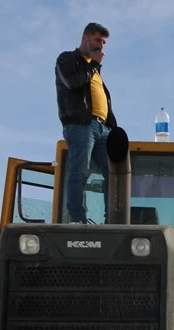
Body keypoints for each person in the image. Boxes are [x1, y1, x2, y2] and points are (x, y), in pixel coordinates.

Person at [56, 22, 117, 224]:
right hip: (81, 125)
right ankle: (77, 218)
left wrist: (112, 128)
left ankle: (112, 220)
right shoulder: (68, 59)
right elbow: (72, 82)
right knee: (79, 171)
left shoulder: (94, 70)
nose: (102, 46)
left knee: (113, 173)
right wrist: (95, 65)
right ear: (85, 38)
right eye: (98, 40)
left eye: (104, 42)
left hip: (102, 128)